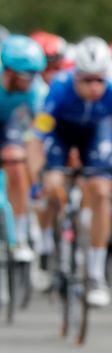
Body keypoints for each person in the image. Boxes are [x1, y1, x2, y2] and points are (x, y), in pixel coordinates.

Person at [29, 36, 112, 307]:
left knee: (100, 191)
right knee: (52, 184)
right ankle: (45, 246)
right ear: (75, 76)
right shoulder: (58, 89)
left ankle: (96, 274)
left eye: (99, 80)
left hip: (96, 134)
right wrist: (36, 178)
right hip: (61, 135)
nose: (94, 87)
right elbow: (37, 139)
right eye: (86, 80)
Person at [1, 35, 48, 262]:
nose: (32, 80)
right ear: (9, 71)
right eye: (27, 75)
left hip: (9, 123)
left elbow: (39, 129)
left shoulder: (35, 89)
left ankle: (18, 236)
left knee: (16, 160)